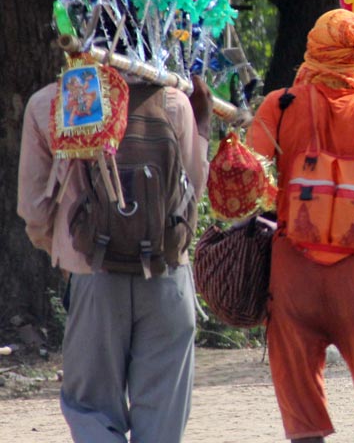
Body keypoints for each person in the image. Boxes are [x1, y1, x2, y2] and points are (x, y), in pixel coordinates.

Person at [247, 9, 354, 443]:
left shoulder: (279, 106)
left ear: (314, 51)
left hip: (292, 273)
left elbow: (251, 187)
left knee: (302, 404)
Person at [18, 71, 212, 442]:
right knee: (162, 416)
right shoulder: (174, 102)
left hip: (92, 273)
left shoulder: (51, 103)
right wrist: (203, 128)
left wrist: (65, 252)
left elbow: (35, 211)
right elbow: (192, 190)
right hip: (166, 274)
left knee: (90, 409)